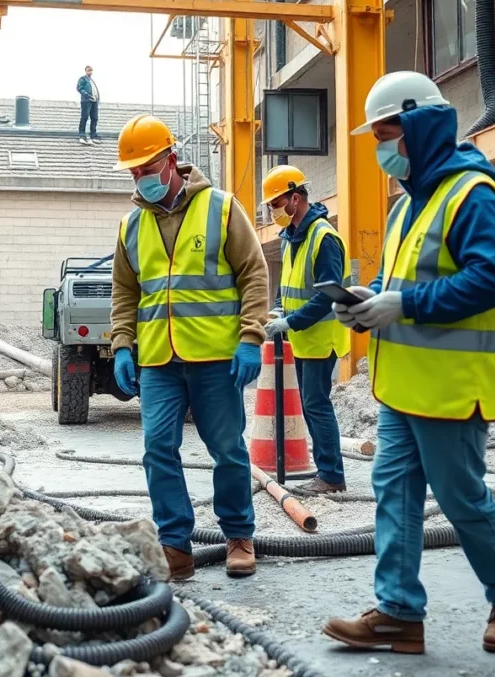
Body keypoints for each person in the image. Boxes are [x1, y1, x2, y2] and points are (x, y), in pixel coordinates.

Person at [322, 71, 495, 655]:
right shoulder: (407, 207)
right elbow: (401, 285)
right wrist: (367, 303)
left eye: (386, 132)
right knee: (393, 495)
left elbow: (493, 280)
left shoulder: (474, 195)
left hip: (451, 387)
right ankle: (397, 613)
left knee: (462, 498)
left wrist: (404, 303)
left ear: (417, 123)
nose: (380, 148)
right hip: (403, 388)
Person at [109, 114, 269, 580]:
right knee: (158, 447)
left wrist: (250, 338)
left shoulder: (220, 208)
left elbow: (254, 274)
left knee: (227, 449)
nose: (141, 179)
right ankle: (175, 545)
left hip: (217, 358)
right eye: (134, 172)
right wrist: (123, 344)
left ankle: (239, 535)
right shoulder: (131, 227)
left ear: (172, 160)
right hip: (159, 359)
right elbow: (125, 292)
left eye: (147, 167)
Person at [262, 165, 351, 495]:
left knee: (317, 404)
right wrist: (278, 309)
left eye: (275, 203)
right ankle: (327, 470)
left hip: (319, 338)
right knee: (311, 404)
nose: (273, 211)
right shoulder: (291, 238)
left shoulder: (323, 237)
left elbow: (330, 294)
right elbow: (287, 283)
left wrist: (290, 321)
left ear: (295, 198)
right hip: (302, 338)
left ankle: (331, 475)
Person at [77, 65, 101, 146]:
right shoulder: (83, 79)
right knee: (84, 117)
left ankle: (93, 135)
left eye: (91, 71)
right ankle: (82, 135)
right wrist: (87, 95)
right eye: (88, 71)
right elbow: (79, 88)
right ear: (85, 71)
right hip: (87, 101)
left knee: (94, 118)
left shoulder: (91, 80)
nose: (90, 72)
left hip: (94, 101)